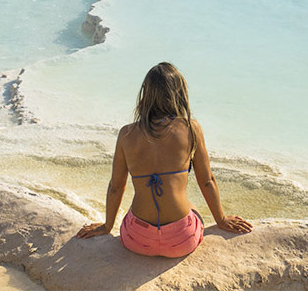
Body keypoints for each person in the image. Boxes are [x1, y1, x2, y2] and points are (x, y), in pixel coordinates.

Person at [76, 62, 252, 257]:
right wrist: (221, 220)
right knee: (190, 205)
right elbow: (207, 180)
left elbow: (116, 187)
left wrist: (107, 226)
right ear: (179, 93)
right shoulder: (191, 128)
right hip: (181, 240)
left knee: (138, 208)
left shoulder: (126, 134)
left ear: (145, 94)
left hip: (137, 239)